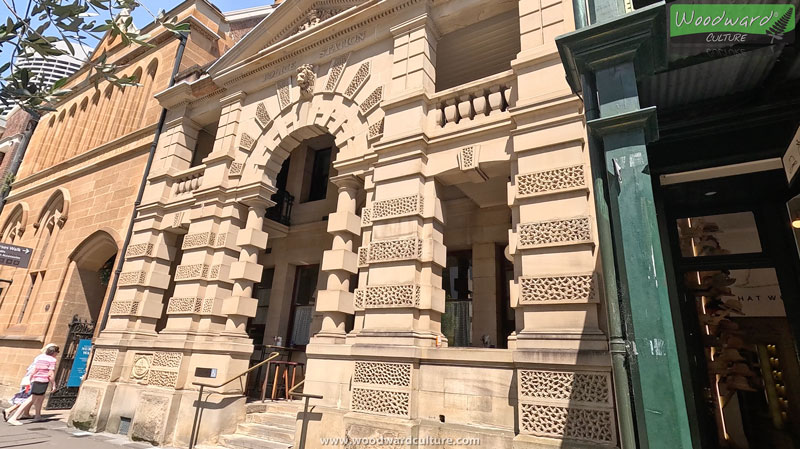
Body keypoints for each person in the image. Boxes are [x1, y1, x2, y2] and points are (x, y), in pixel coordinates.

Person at [7, 344, 59, 425]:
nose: (57, 354)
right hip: (43, 381)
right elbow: (51, 373)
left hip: (35, 380)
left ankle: (38, 416)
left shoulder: (41, 357)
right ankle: (14, 417)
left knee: (40, 398)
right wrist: (54, 385)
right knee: (31, 399)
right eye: (57, 352)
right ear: (54, 352)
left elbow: (35, 369)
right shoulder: (52, 360)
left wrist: (30, 378)